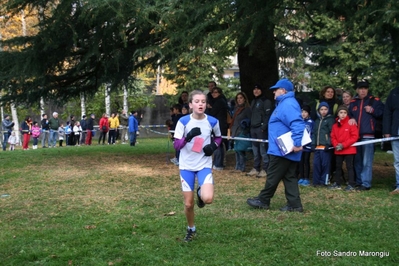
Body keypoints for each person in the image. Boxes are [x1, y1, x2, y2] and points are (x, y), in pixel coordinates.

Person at [247, 78, 305, 212]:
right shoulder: (286, 103)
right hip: (284, 148)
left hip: (282, 149)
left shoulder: (287, 104)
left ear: (283, 90)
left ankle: (263, 200)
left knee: (272, 175)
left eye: (275, 90)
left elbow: (297, 123)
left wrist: (297, 143)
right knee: (289, 176)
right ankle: (295, 205)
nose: (274, 93)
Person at [173, 90, 222, 241]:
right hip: (186, 166)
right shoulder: (183, 121)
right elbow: (176, 145)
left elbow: (219, 138)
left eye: (203, 102)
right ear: (190, 104)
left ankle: (201, 192)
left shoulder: (213, 121)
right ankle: (191, 229)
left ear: (206, 104)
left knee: (208, 199)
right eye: (197, 101)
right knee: (188, 204)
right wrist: (187, 137)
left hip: (203, 165)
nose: (200, 104)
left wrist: (213, 146)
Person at [349, 80, 384, 191]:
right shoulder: (354, 102)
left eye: (365, 88)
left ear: (367, 89)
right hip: (355, 136)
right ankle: (359, 182)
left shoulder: (375, 101)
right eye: (360, 88)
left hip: (369, 136)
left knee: (366, 161)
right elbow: (348, 115)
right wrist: (351, 118)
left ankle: (366, 183)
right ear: (357, 90)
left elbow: (382, 113)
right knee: (357, 161)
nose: (363, 90)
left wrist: (372, 110)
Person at [329, 105, 359, 191]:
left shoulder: (351, 123)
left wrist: (343, 145)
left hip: (349, 149)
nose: (343, 114)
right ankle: (337, 183)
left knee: (349, 167)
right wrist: (336, 145)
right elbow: (333, 137)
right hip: (338, 149)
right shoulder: (335, 125)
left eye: (345, 112)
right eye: (341, 112)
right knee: (338, 167)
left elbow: (354, 137)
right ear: (338, 114)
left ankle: (351, 184)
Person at [246, 84, 273, 178]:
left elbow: (268, 115)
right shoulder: (253, 101)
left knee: (263, 149)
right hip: (253, 128)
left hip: (261, 129)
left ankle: (265, 169)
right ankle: (256, 168)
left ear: (261, 90)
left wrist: (263, 127)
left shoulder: (266, 101)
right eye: (254, 89)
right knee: (255, 150)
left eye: (258, 89)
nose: (256, 91)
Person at [311, 102, 335, 187]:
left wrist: (329, 143)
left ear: (328, 110)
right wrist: (313, 144)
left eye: (325, 109)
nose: (323, 111)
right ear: (319, 110)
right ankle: (315, 181)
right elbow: (314, 133)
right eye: (322, 109)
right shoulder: (317, 121)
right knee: (316, 164)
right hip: (317, 147)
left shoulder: (330, 120)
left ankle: (323, 181)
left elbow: (332, 133)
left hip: (325, 147)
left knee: (325, 165)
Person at [206, 87, 228, 170]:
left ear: (219, 93)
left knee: (217, 145)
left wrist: (209, 108)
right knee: (218, 145)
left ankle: (218, 164)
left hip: (219, 126)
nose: (214, 94)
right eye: (212, 92)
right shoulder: (218, 101)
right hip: (218, 125)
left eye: (216, 92)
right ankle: (217, 163)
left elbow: (212, 113)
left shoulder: (219, 101)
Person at [382, 87, 399, 195]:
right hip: (395, 132)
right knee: (397, 161)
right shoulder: (394, 93)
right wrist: (387, 131)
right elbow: (387, 112)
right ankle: (398, 186)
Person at [230, 92, 251, 172]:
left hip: (242, 132)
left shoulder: (247, 109)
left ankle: (242, 167)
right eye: (238, 98)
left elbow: (250, 121)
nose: (239, 100)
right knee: (236, 149)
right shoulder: (236, 109)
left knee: (241, 149)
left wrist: (245, 131)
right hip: (235, 132)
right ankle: (237, 166)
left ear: (244, 99)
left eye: (241, 98)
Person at [298, 105, 314, 186]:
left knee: (306, 161)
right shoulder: (299, 121)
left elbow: (312, 133)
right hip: (300, 146)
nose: (303, 114)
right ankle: (301, 177)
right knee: (300, 162)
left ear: (308, 113)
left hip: (307, 146)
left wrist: (311, 143)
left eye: (305, 112)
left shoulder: (311, 122)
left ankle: (306, 178)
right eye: (302, 112)